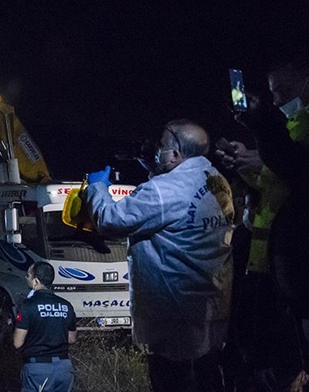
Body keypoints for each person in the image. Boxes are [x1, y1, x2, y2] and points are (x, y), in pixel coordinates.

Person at [84, 119, 234, 392]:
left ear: (176, 154)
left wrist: (97, 188)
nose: (155, 151)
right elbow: (179, 198)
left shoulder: (163, 191)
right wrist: (155, 170)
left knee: (172, 381)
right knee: (208, 378)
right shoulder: (216, 180)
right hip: (209, 303)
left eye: (161, 147)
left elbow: (110, 219)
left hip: (173, 312)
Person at [218, 59, 309, 390]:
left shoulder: (299, 126)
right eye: (273, 94)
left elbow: (292, 168)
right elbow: (278, 179)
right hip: (273, 260)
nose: (277, 101)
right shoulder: (292, 124)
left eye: (282, 91)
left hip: (293, 261)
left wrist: (262, 132)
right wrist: (248, 165)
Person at [13, 261, 77, 392]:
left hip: (38, 369)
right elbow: (71, 338)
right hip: (64, 368)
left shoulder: (27, 306)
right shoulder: (66, 305)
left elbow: (17, 343)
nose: (26, 278)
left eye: (28, 275)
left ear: (36, 281)